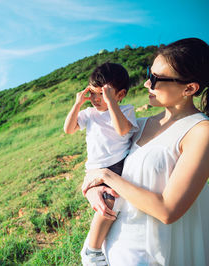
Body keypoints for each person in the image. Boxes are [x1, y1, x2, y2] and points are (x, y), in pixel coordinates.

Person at [82, 37, 209, 266]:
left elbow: (168, 210)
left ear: (189, 88)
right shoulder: (139, 125)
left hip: (154, 255)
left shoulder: (201, 132)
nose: (146, 84)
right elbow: (101, 162)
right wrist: (94, 189)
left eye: (155, 79)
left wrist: (106, 176)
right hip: (113, 246)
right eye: (149, 74)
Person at [64, 62, 138, 265]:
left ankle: (99, 245)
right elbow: (68, 129)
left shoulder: (126, 110)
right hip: (96, 169)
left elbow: (121, 129)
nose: (97, 99)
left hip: (118, 165)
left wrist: (111, 103)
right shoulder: (89, 114)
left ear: (120, 95)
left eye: (103, 94)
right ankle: (92, 250)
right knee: (106, 206)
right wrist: (78, 104)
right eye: (94, 94)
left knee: (112, 204)